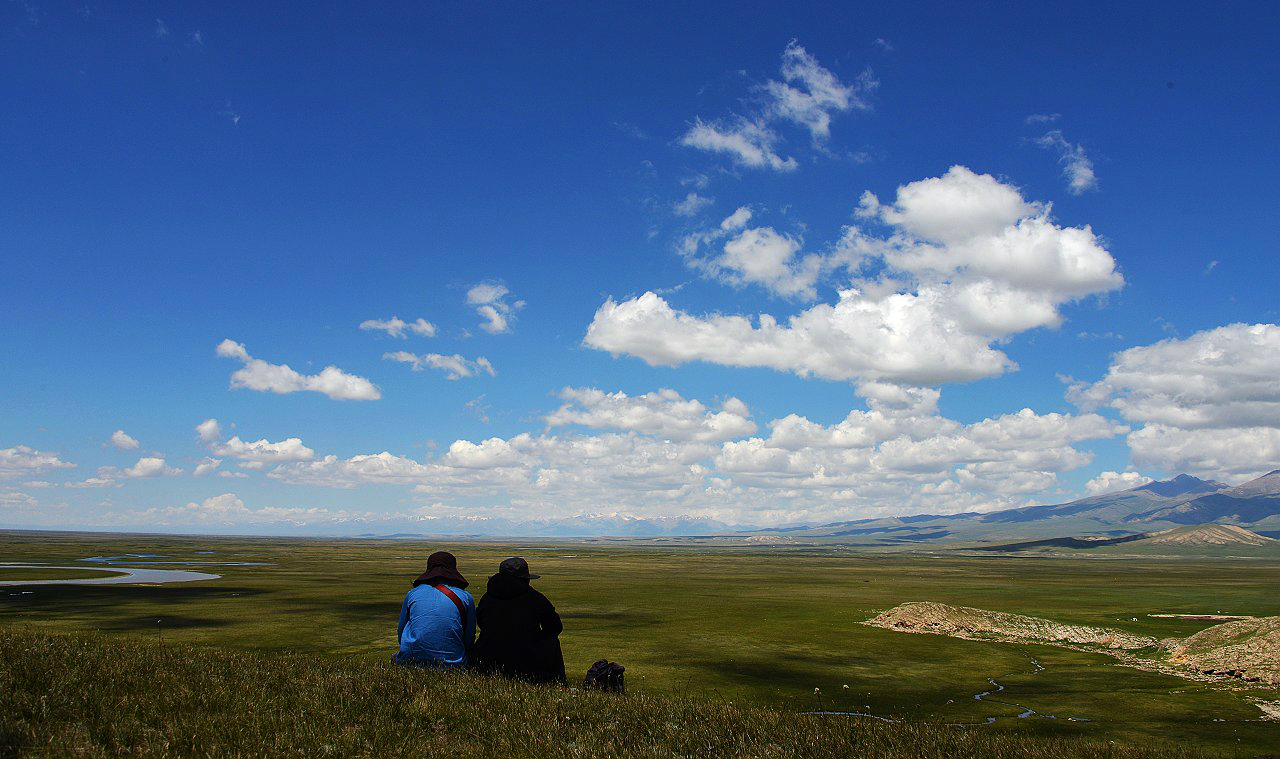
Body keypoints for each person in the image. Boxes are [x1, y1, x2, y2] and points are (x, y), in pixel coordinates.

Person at [473, 557, 567, 684]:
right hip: (527, 663)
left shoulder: (487, 598)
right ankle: (558, 683)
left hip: (488, 661)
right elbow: (555, 627)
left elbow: (481, 623)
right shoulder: (535, 599)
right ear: (524, 580)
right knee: (553, 641)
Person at [393, 551, 476, 669]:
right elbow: (469, 641)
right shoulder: (466, 597)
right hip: (453, 665)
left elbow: (401, 635)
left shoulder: (412, 594)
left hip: (410, 661)